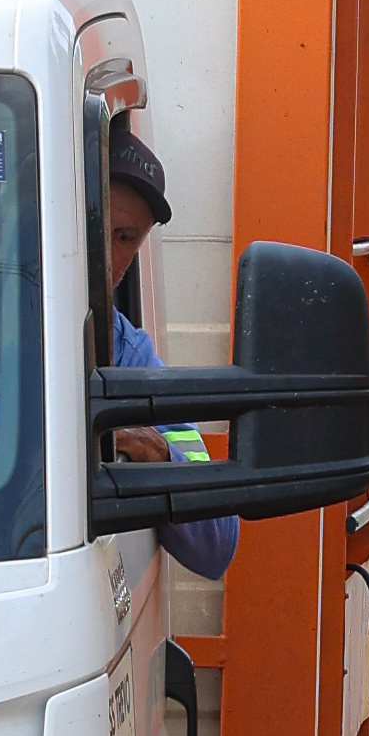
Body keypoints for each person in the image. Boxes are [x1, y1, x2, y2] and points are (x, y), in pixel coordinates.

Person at [102, 117, 238, 585]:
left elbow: (217, 544)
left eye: (125, 239)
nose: (105, 254)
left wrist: (159, 457)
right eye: (93, 226)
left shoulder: (128, 353)